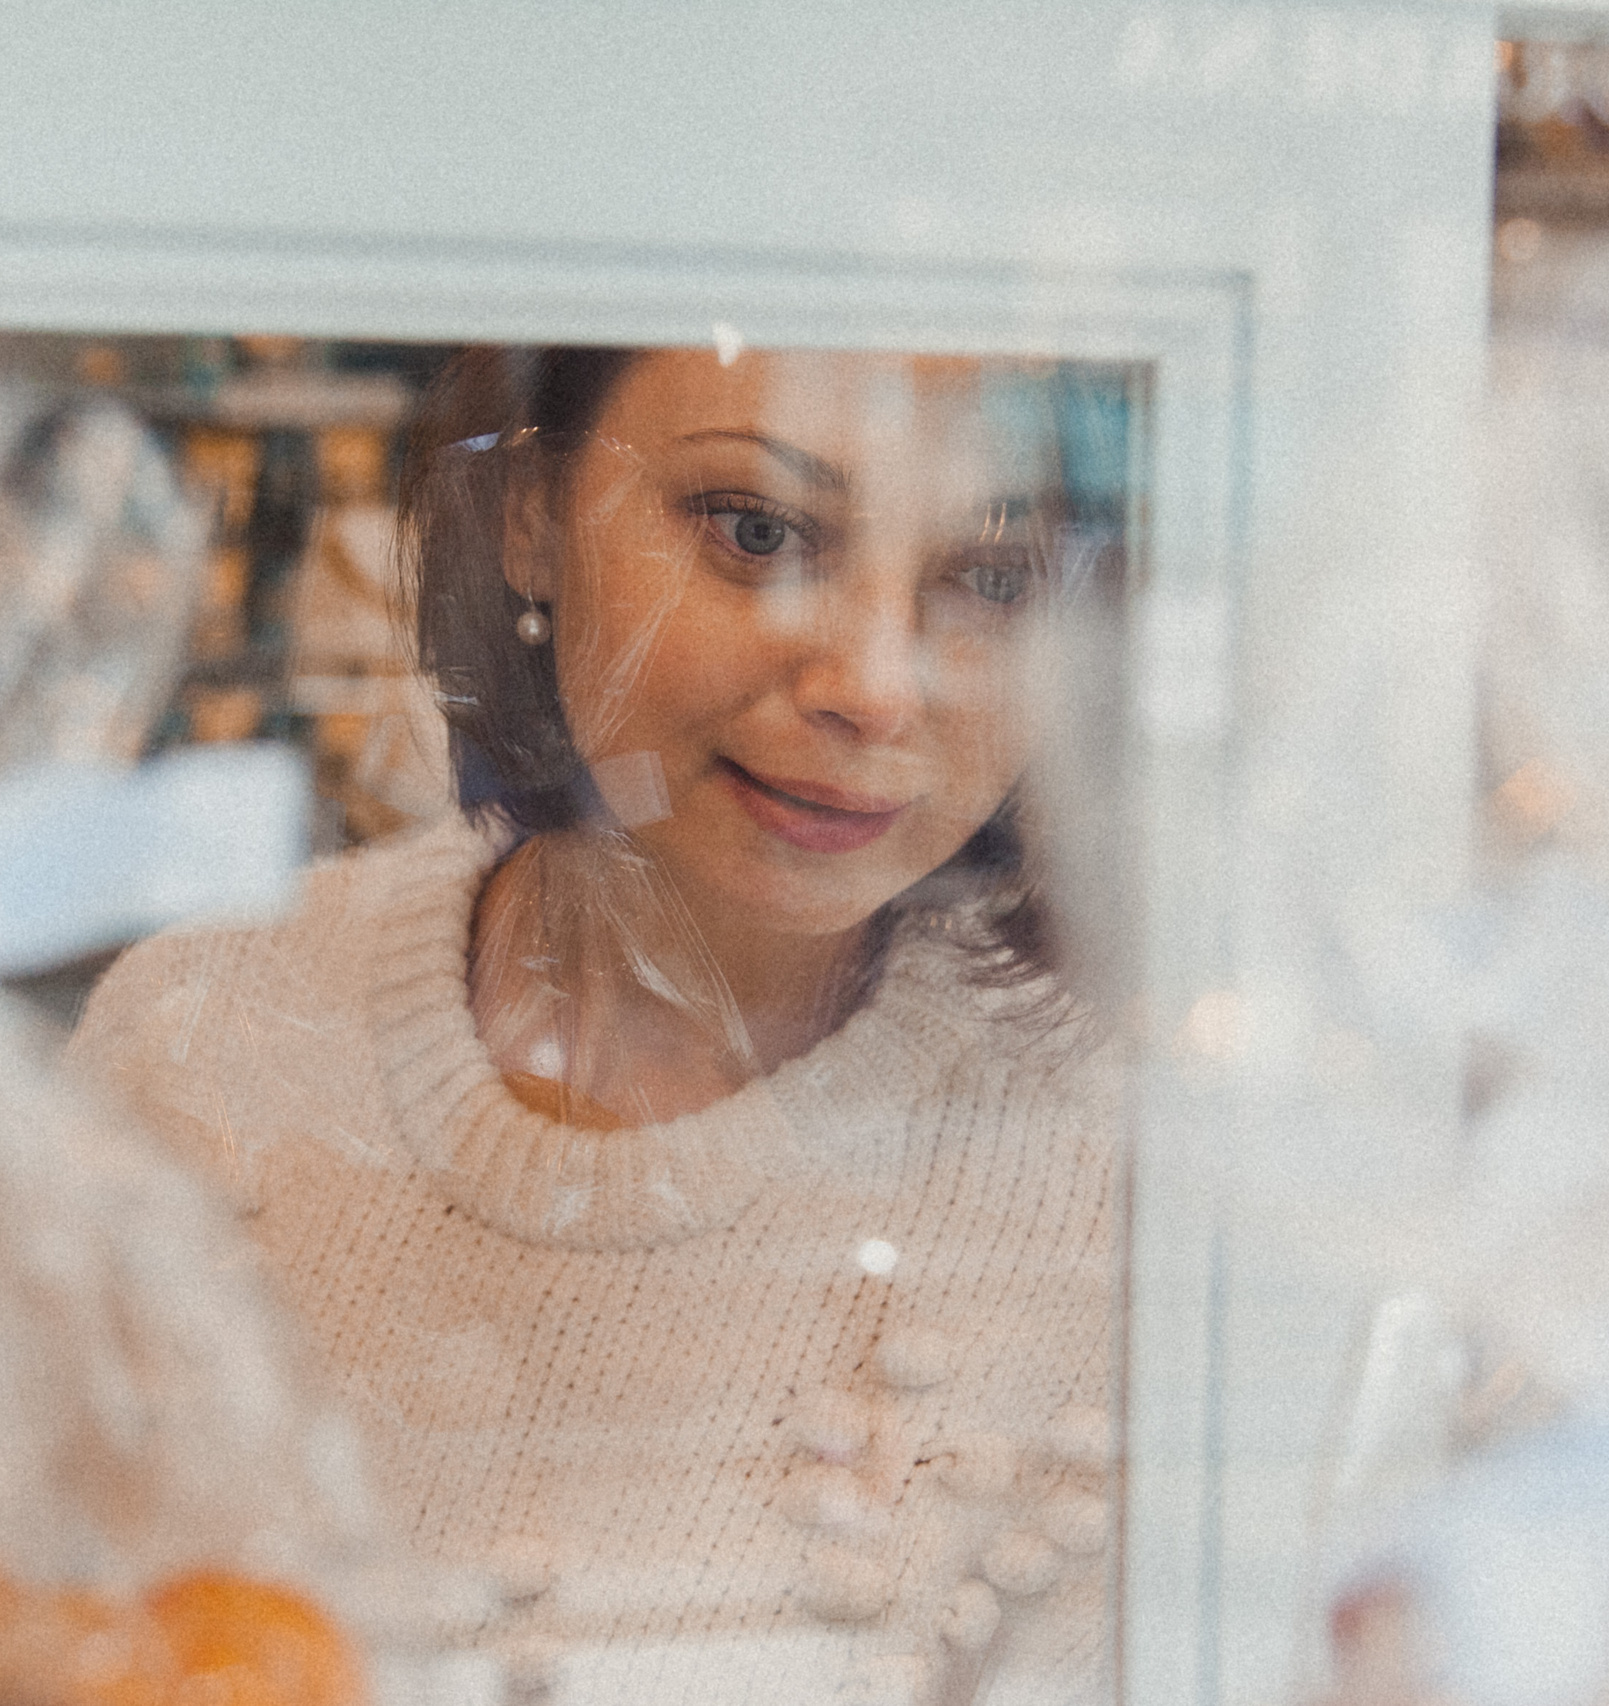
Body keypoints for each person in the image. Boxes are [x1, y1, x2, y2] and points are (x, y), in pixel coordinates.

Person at [69, 344, 1126, 1706]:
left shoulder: (1134, 1186)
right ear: (530, 517)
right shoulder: (204, 1036)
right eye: (759, 532)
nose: (873, 686)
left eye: (994, 578)